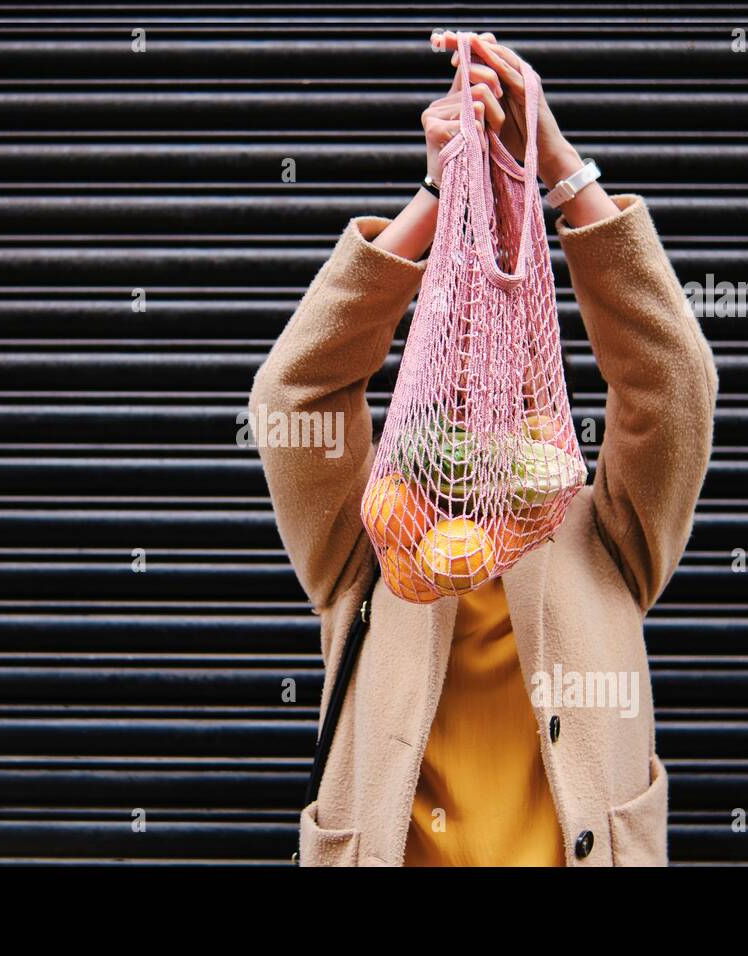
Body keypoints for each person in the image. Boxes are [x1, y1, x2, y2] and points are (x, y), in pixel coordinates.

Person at [250, 31, 718, 866]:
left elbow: (673, 383)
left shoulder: (607, 530)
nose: (481, 367)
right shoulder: (367, 542)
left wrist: (558, 166)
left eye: (505, 350)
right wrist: (438, 192)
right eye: (454, 344)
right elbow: (295, 391)